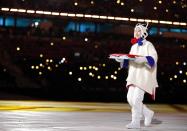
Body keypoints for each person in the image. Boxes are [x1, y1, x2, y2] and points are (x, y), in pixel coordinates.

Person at [115, 23, 158, 129]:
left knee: (136, 99)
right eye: (135, 31)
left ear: (143, 33)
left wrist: (143, 59)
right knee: (130, 99)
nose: (136, 32)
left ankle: (136, 122)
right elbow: (130, 60)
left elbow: (154, 57)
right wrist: (122, 60)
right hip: (133, 75)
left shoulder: (148, 44)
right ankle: (147, 113)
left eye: (139, 30)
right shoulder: (133, 46)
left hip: (143, 76)